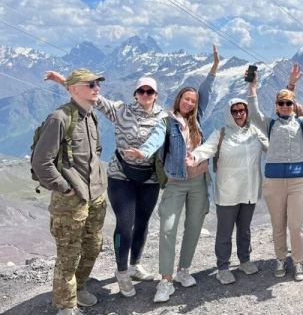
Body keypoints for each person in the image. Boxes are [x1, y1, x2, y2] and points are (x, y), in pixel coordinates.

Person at [44, 68, 169, 296]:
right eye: (141, 91)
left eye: (149, 91)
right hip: (121, 176)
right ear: (135, 94)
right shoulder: (121, 111)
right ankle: (122, 272)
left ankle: (135, 265)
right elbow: (91, 97)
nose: (145, 94)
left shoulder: (163, 118)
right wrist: (62, 80)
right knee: (125, 223)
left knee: (143, 222)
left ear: (156, 95)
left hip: (149, 178)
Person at [124, 45, 219, 302]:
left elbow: (206, 91)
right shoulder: (166, 123)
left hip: (199, 181)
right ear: (179, 100)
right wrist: (143, 152)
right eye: (186, 99)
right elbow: (156, 139)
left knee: (194, 227)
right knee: (168, 229)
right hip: (176, 183)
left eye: (193, 101)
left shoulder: (197, 119)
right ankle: (165, 281)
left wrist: (214, 68)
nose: (190, 103)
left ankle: (183, 270)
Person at [247, 61, 303, 282]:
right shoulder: (269, 124)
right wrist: (252, 87)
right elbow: (253, 112)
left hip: (298, 182)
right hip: (274, 182)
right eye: (281, 103)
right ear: (276, 106)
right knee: (278, 225)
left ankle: (298, 262)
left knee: (295, 225)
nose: (285, 106)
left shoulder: (302, 123)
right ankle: (281, 259)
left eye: (289, 103)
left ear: (294, 105)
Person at [36, 69, 107, 315]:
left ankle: (80, 288)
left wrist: (97, 184)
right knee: (68, 253)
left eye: (97, 83)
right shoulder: (59, 118)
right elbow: (41, 162)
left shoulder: (91, 115)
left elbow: (96, 152)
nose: (97, 88)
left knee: (93, 245)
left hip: (95, 196)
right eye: (91, 84)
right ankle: (65, 305)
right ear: (74, 89)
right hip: (70, 201)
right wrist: (65, 187)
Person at [188, 98, 268, 284]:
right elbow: (207, 149)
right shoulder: (221, 133)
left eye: (242, 110)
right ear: (228, 113)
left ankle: (244, 260)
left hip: (249, 188)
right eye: (235, 111)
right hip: (228, 190)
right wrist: (194, 157)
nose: (239, 114)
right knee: (225, 231)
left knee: (244, 229)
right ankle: (223, 267)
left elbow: (270, 147)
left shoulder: (254, 131)